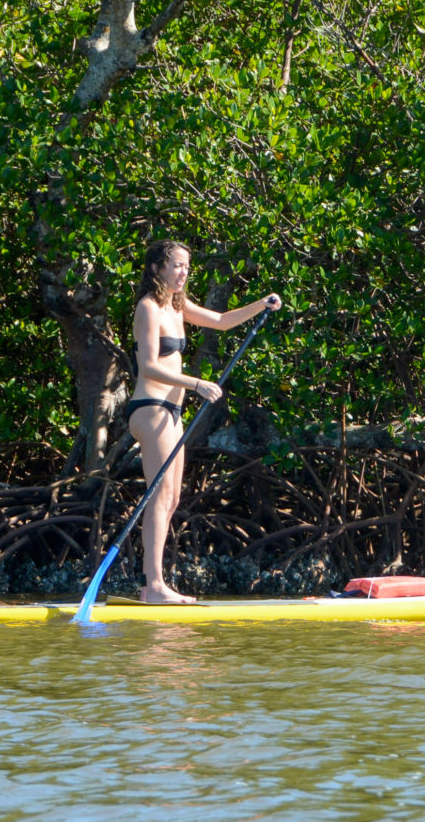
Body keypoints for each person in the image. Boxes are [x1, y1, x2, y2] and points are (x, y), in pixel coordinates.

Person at [126, 239, 282, 604]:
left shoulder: (176, 307)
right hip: (151, 408)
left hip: (172, 414)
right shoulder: (148, 308)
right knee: (160, 497)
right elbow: (148, 366)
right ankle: (154, 586)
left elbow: (223, 322)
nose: (183, 272)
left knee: (173, 496)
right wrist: (196, 384)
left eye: (186, 266)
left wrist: (261, 304)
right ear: (157, 268)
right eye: (176, 265)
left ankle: (154, 585)